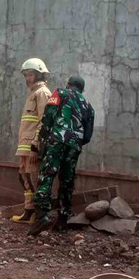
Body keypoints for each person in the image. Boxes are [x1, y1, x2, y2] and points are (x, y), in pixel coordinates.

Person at [29, 73, 95, 236]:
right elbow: (87, 136)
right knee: (67, 180)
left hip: (56, 140)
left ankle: (42, 217)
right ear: (83, 89)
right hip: (75, 145)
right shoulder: (88, 106)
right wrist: (75, 142)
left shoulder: (60, 93)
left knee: (46, 176)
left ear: (68, 85)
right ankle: (63, 220)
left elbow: (48, 116)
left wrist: (42, 141)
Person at [12, 58, 52, 223]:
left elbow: (44, 121)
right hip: (24, 146)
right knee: (25, 176)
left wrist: (36, 145)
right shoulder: (33, 94)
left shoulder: (42, 93)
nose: (27, 79)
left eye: (30, 75)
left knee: (34, 178)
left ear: (39, 74)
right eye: (26, 75)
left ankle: (39, 214)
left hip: (32, 146)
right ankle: (28, 211)